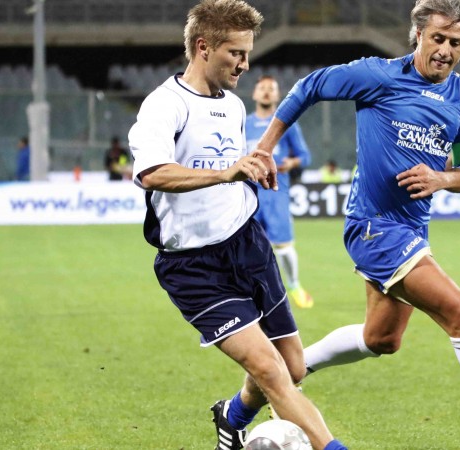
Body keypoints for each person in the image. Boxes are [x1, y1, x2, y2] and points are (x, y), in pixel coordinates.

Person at [252, 0, 460, 448]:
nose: (445, 50)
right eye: (438, 38)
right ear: (418, 35)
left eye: (456, 42)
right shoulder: (378, 75)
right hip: (374, 226)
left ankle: (284, 377)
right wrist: (268, 145)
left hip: (411, 230)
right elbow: (309, 86)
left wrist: (442, 178)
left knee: (381, 339)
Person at [126, 1, 347, 449]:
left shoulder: (233, 105)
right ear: (203, 48)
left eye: (248, 54)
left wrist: (252, 170)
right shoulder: (162, 107)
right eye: (236, 54)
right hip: (193, 266)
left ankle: (233, 415)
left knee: (293, 366)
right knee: (269, 370)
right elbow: (153, 173)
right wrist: (226, 173)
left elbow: (233, 165)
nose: (245, 65)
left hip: (248, 244)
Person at [246, 75, 315, 308]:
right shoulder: (243, 124)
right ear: (255, 94)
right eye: (262, 88)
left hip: (276, 192)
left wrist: (291, 163)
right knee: (247, 247)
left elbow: (305, 156)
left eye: (271, 89)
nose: (266, 92)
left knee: (284, 247)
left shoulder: (287, 124)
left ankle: (294, 284)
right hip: (248, 194)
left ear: (277, 95)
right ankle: (252, 291)